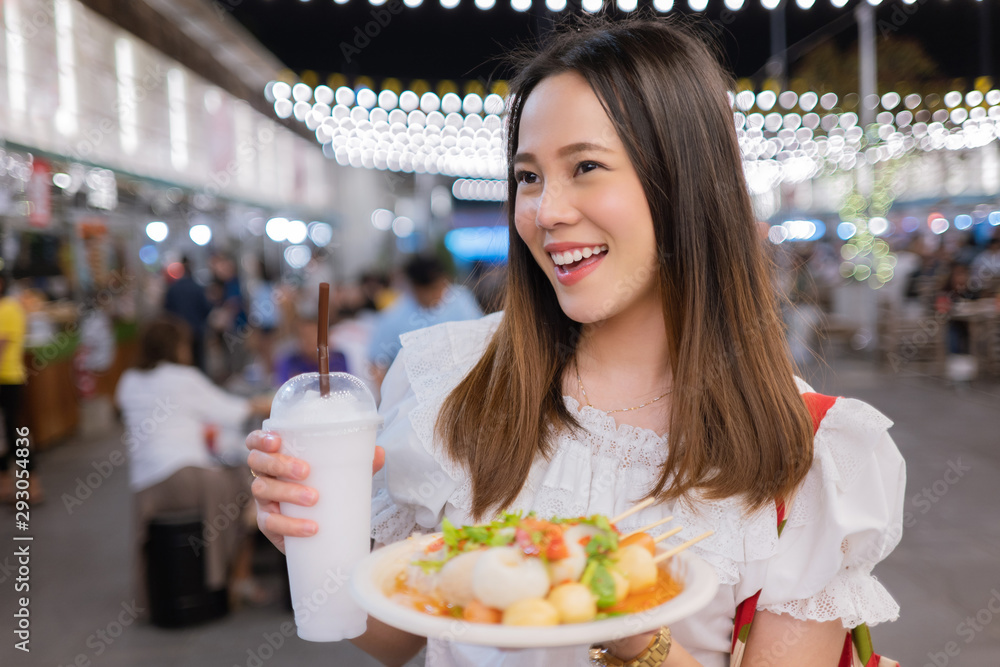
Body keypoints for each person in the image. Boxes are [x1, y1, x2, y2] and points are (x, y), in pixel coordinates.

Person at [245, 17, 905, 667]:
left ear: (685, 184)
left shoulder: (801, 447)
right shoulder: (445, 376)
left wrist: (624, 622)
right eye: (528, 176)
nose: (545, 211)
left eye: (586, 166)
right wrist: (311, 534)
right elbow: (400, 636)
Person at [116, 316, 272, 614]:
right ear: (176, 346)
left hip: (146, 488)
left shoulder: (128, 381)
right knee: (249, 481)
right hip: (186, 479)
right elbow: (232, 410)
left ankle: (160, 595)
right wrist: (268, 401)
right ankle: (235, 578)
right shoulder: (183, 378)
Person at [367, 255, 482, 390]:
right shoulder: (394, 317)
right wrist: (388, 403)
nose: (439, 294)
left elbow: (481, 337)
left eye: (442, 286)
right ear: (415, 288)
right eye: (433, 290)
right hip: (415, 395)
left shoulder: (460, 299)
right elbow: (376, 364)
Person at [0, 272, 39, 503]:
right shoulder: (11, 307)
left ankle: (31, 483)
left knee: (15, 434)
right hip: (9, 378)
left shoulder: (7, 308)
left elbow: (2, 346)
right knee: (8, 433)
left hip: (8, 379)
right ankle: (7, 484)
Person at [164, 257, 213, 372]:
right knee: (199, 362)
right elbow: (206, 308)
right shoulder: (198, 288)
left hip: (179, 332)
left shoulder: (173, 289)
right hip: (196, 330)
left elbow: (167, 311)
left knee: (182, 364)